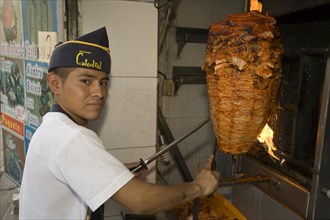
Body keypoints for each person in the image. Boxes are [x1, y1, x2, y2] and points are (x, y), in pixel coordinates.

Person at [19, 27, 220, 219]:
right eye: (86, 81)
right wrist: (199, 187)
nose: (99, 92)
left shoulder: (54, 127)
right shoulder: (71, 137)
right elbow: (140, 201)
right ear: (55, 83)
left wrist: (112, 175)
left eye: (103, 82)